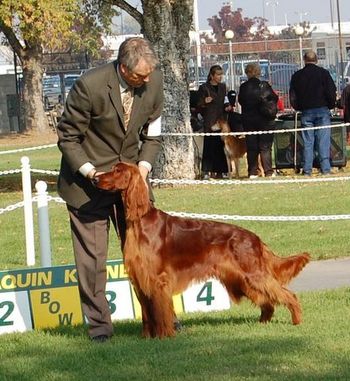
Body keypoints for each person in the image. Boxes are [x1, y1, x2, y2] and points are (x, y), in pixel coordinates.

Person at [56, 37, 164, 342]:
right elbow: (68, 138)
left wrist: (142, 169)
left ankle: (159, 318)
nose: (146, 81)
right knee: (92, 262)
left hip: (132, 184)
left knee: (149, 256)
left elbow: (153, 135)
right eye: (140, 76)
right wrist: (91, 173)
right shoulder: (89, 85)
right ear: (123, 68)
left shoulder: (154, 81)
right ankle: (101, 329)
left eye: (148, 75)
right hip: (88, 185)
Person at [289, 50, 336, 176]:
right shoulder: (324, 73)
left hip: (306, 112)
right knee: (323, 141)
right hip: (322, 110)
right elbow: (331, 91)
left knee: (308, 142)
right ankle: (325, 168)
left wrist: (298, 107)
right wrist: (330, 105)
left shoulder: (297, 76)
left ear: (304, 60)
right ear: (316, 60)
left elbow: (292, 95)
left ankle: (307, 169)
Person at [238, 62, 277, 178]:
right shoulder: (264, 85)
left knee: (251, 146)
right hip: (264, 119)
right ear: (258, 72)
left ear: (247, 73)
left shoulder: (243, 87)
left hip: (249, 120)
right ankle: (268, 171)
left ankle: (252, 171)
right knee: (265, 147)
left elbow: (241, 101)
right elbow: (273, 98)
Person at [197, 65, 230, 179]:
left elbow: (225, 99)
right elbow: (198, 105)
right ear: (212, 75)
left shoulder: (222, 87)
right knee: (209, 145)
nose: (220, 77)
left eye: (221, 75)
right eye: (218, 75)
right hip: (209, 120)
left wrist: (227, 106)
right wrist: (204, 101)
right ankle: (206, 171)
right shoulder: (204, 87)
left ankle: (221, 171)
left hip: (220, 119)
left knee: (220, 146)